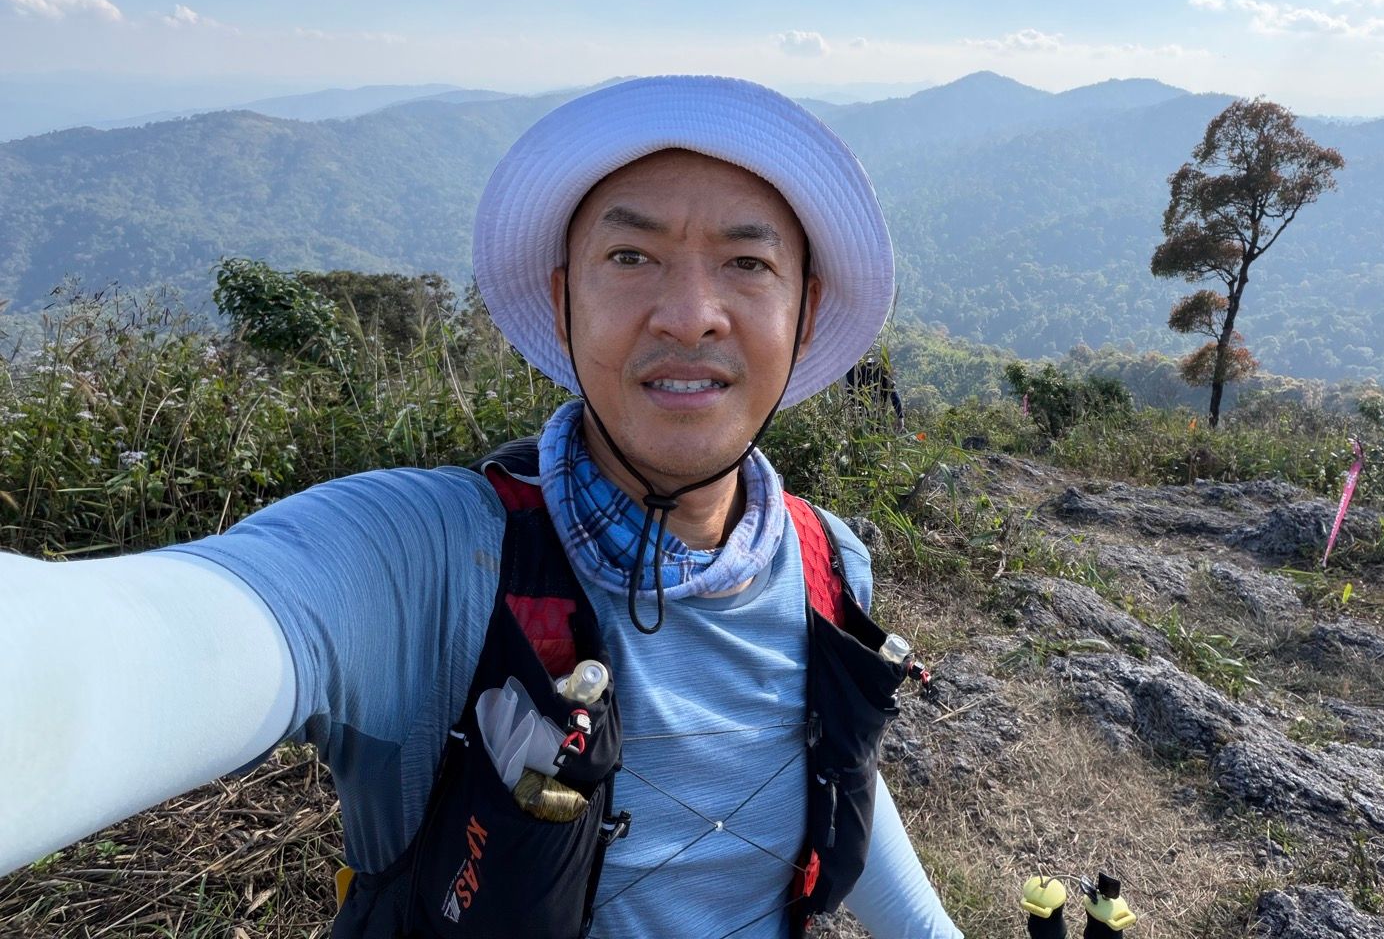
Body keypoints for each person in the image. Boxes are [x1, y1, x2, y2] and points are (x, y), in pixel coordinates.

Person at [0, 76, 962, 938]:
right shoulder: (427, 562)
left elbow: (830, 774)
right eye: (631, 255)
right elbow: (153, 640)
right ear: (563, 301)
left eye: (748, 264)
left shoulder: (825, 564)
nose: (689, 314)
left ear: (805, 310)